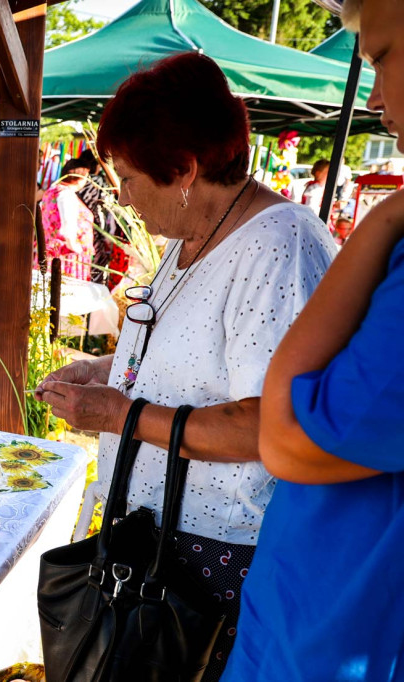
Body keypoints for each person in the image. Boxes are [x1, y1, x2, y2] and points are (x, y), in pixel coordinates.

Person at [34, 52, 336, 681]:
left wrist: (124, 413)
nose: (117, 193)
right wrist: (106, 369)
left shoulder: (280, 249)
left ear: (186, 171)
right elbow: (191, 356)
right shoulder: (191, 237)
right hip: (157, 532)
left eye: (126, 175)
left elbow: (267, 426)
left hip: (218, 554)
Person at [223, 0, 404, 679]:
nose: (376, 92)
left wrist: (384, 221)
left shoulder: (295, 235)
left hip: (333, 646)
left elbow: (288, 438)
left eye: (382, 54)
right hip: (305, 626)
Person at [39, 159, 96, 279]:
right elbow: (68, 223)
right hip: (67, 256)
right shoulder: (66, 194)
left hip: (55, 252)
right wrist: (75, 247)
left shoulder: (52, 190)